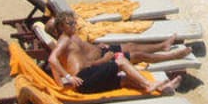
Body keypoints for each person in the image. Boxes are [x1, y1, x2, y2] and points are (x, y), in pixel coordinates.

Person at [47, 11, 181, 95]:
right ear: (61, 26)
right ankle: (149, 84)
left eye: (74, 23)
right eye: (70, 23)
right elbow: (52, 59)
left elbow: (57, 64)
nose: (74, 25)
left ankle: (163, 88)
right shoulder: (64, 40)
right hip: (84, 78)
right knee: (121, 61)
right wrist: (68, 77)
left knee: (126, 80)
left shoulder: (71, 38)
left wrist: (59, 85)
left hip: (88, 81)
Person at [43, 15, 192, 66]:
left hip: (101, 51)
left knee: (131, 45)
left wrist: (97, 45)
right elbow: (83, 65)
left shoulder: (69, 37)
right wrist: (104, 60)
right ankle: (172, 56)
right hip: (103, 60)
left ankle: (163, 45)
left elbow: (84, 47)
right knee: (137, 55)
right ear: (56, 30)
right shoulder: (63, 46)